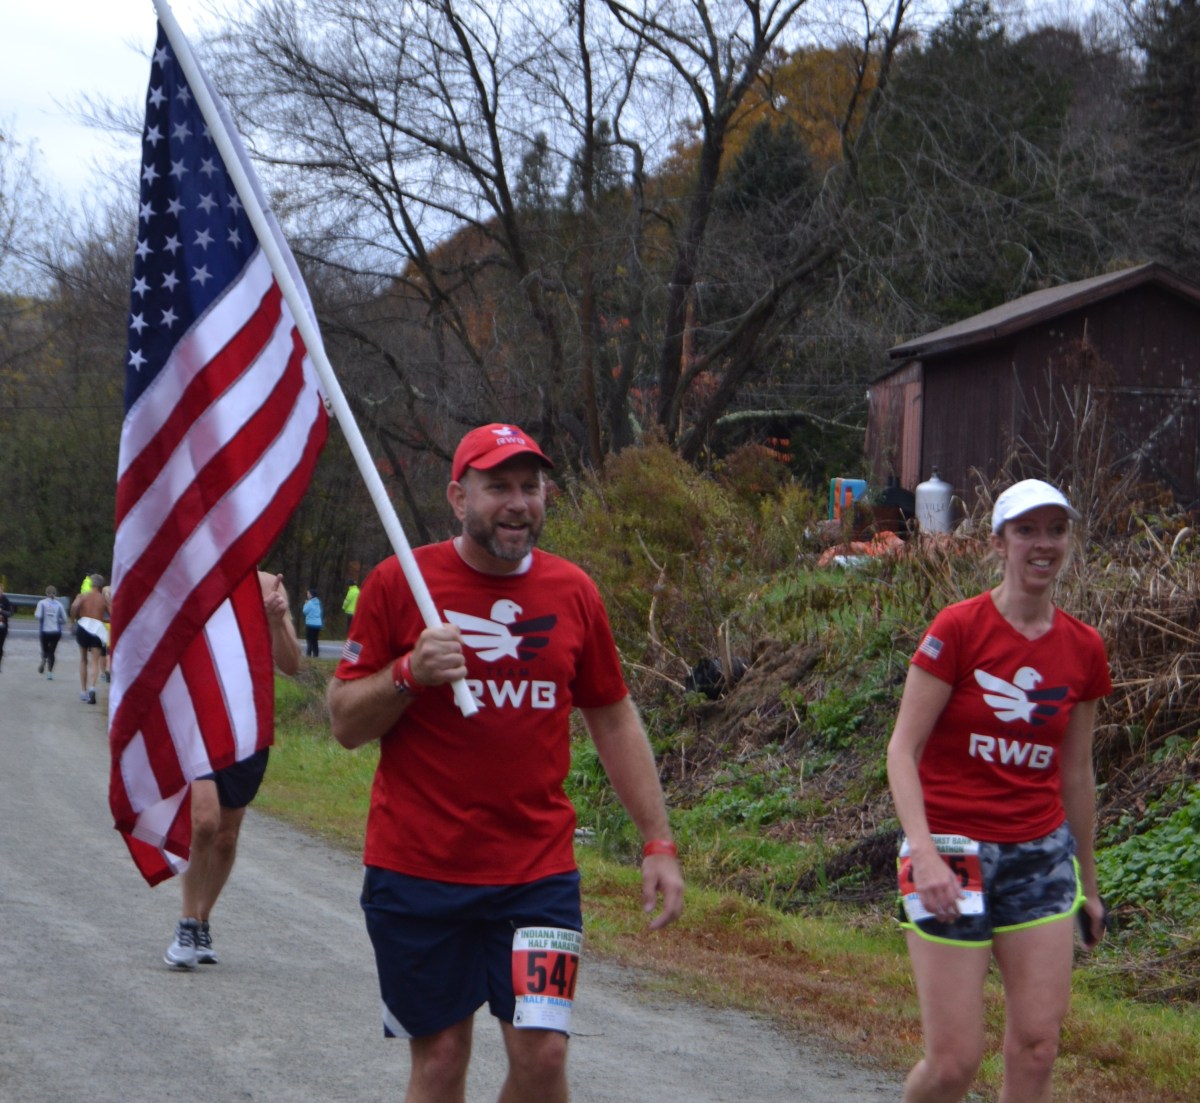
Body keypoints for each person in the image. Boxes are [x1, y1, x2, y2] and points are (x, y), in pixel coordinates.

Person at [327, 422, 684, 1103]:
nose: (519, 503)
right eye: (498, 488)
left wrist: (657, 841)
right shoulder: (400, 583)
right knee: (440, 1061)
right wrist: (408, 673)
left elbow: (612, 717)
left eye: (531, 486)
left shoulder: (573, 591)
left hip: (536, 876)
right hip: (418, 871)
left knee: (544, 1056)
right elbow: (344, 721)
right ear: (458, 497)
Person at [886, 478, 1112, 1103]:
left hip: (1039, 855)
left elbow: (1076, 773)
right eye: (1027, 530)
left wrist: (1090, 885)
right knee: (954, 1064)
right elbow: (902, 751)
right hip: (950, 851)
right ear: (998, 542)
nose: (1043, 544)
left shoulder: (1084, 648)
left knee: (1038, 1046)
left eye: (1056, 530)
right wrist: (923, 853)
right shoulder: (958, 628)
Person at [164, 571, 301, 969]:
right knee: (204, 821)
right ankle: (187, 921)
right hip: (198, 716)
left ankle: (203, 918)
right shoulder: (193, 576)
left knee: (226, 835)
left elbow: (291, 664)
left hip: (246, 723)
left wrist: (276, 621)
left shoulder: (269, 585)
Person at [70, 576, 111, 704]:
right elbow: (113, 614)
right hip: (97, 628)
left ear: (91, 583)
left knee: (83, 659)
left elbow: (74, 606)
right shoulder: (103, 599)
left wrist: (73, 620)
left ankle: (83, 691)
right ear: (101, 585)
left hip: (83, 625)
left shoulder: (83, 596)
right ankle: (92, 688)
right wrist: (102, 619)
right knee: (95, 661)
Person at [35, 586, 67, 679]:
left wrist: (44, 617)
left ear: (46, 593)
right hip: (56, 632)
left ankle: (44, 659)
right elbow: (65, 619)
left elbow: (38, 616)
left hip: (45, 631)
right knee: (52, 652)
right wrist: (58, 621)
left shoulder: (41, 603)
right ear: (55, 594)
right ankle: (50, 673)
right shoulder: (59, 605)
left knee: (45, 649)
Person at [302, 586, 323, 658]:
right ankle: (316, 654)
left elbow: (304, 611)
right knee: (315, 640)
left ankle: (308, 654)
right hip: (318, 624)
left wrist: (305, 604)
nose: (307, 595)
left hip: (310, 624)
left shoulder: (310, 603)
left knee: (309, 640)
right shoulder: (318, 602)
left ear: (311, 595)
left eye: (308, 593)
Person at [0, 584, 12, 672]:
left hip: (3, 627)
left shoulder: (5, 600)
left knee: (0, 647)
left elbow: (10, 613)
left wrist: (2, 611)